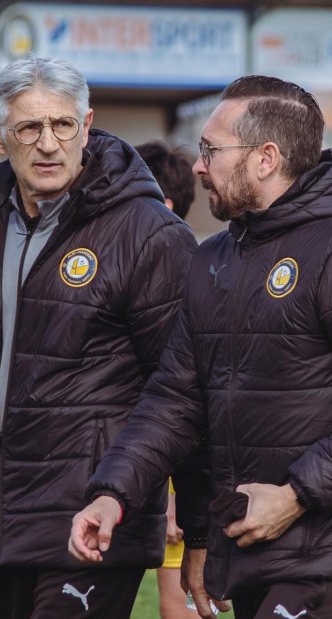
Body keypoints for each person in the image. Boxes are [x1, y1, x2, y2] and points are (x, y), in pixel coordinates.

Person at [69, 75, 332, 619]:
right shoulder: (213, 258)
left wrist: (294, 496)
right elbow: (174, 401)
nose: (198, 166)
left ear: (266, 158)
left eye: (211, 150)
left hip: (322, 553)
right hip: (247, 545)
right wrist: (112, 493)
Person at [0, 56, 198, 619]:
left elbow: (186, 387)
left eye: (62, 125)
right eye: (28, 128)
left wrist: (193, 511)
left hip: (99, 510)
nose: (47, 144)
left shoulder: (149, 232)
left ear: (86, 125)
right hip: (3, 510)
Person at [135, 139, 197, 619]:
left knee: (183, 606)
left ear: (164, 205)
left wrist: (177, 498)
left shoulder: (185, 273)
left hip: (173, 482)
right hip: (130, 470)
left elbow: (187, 393)